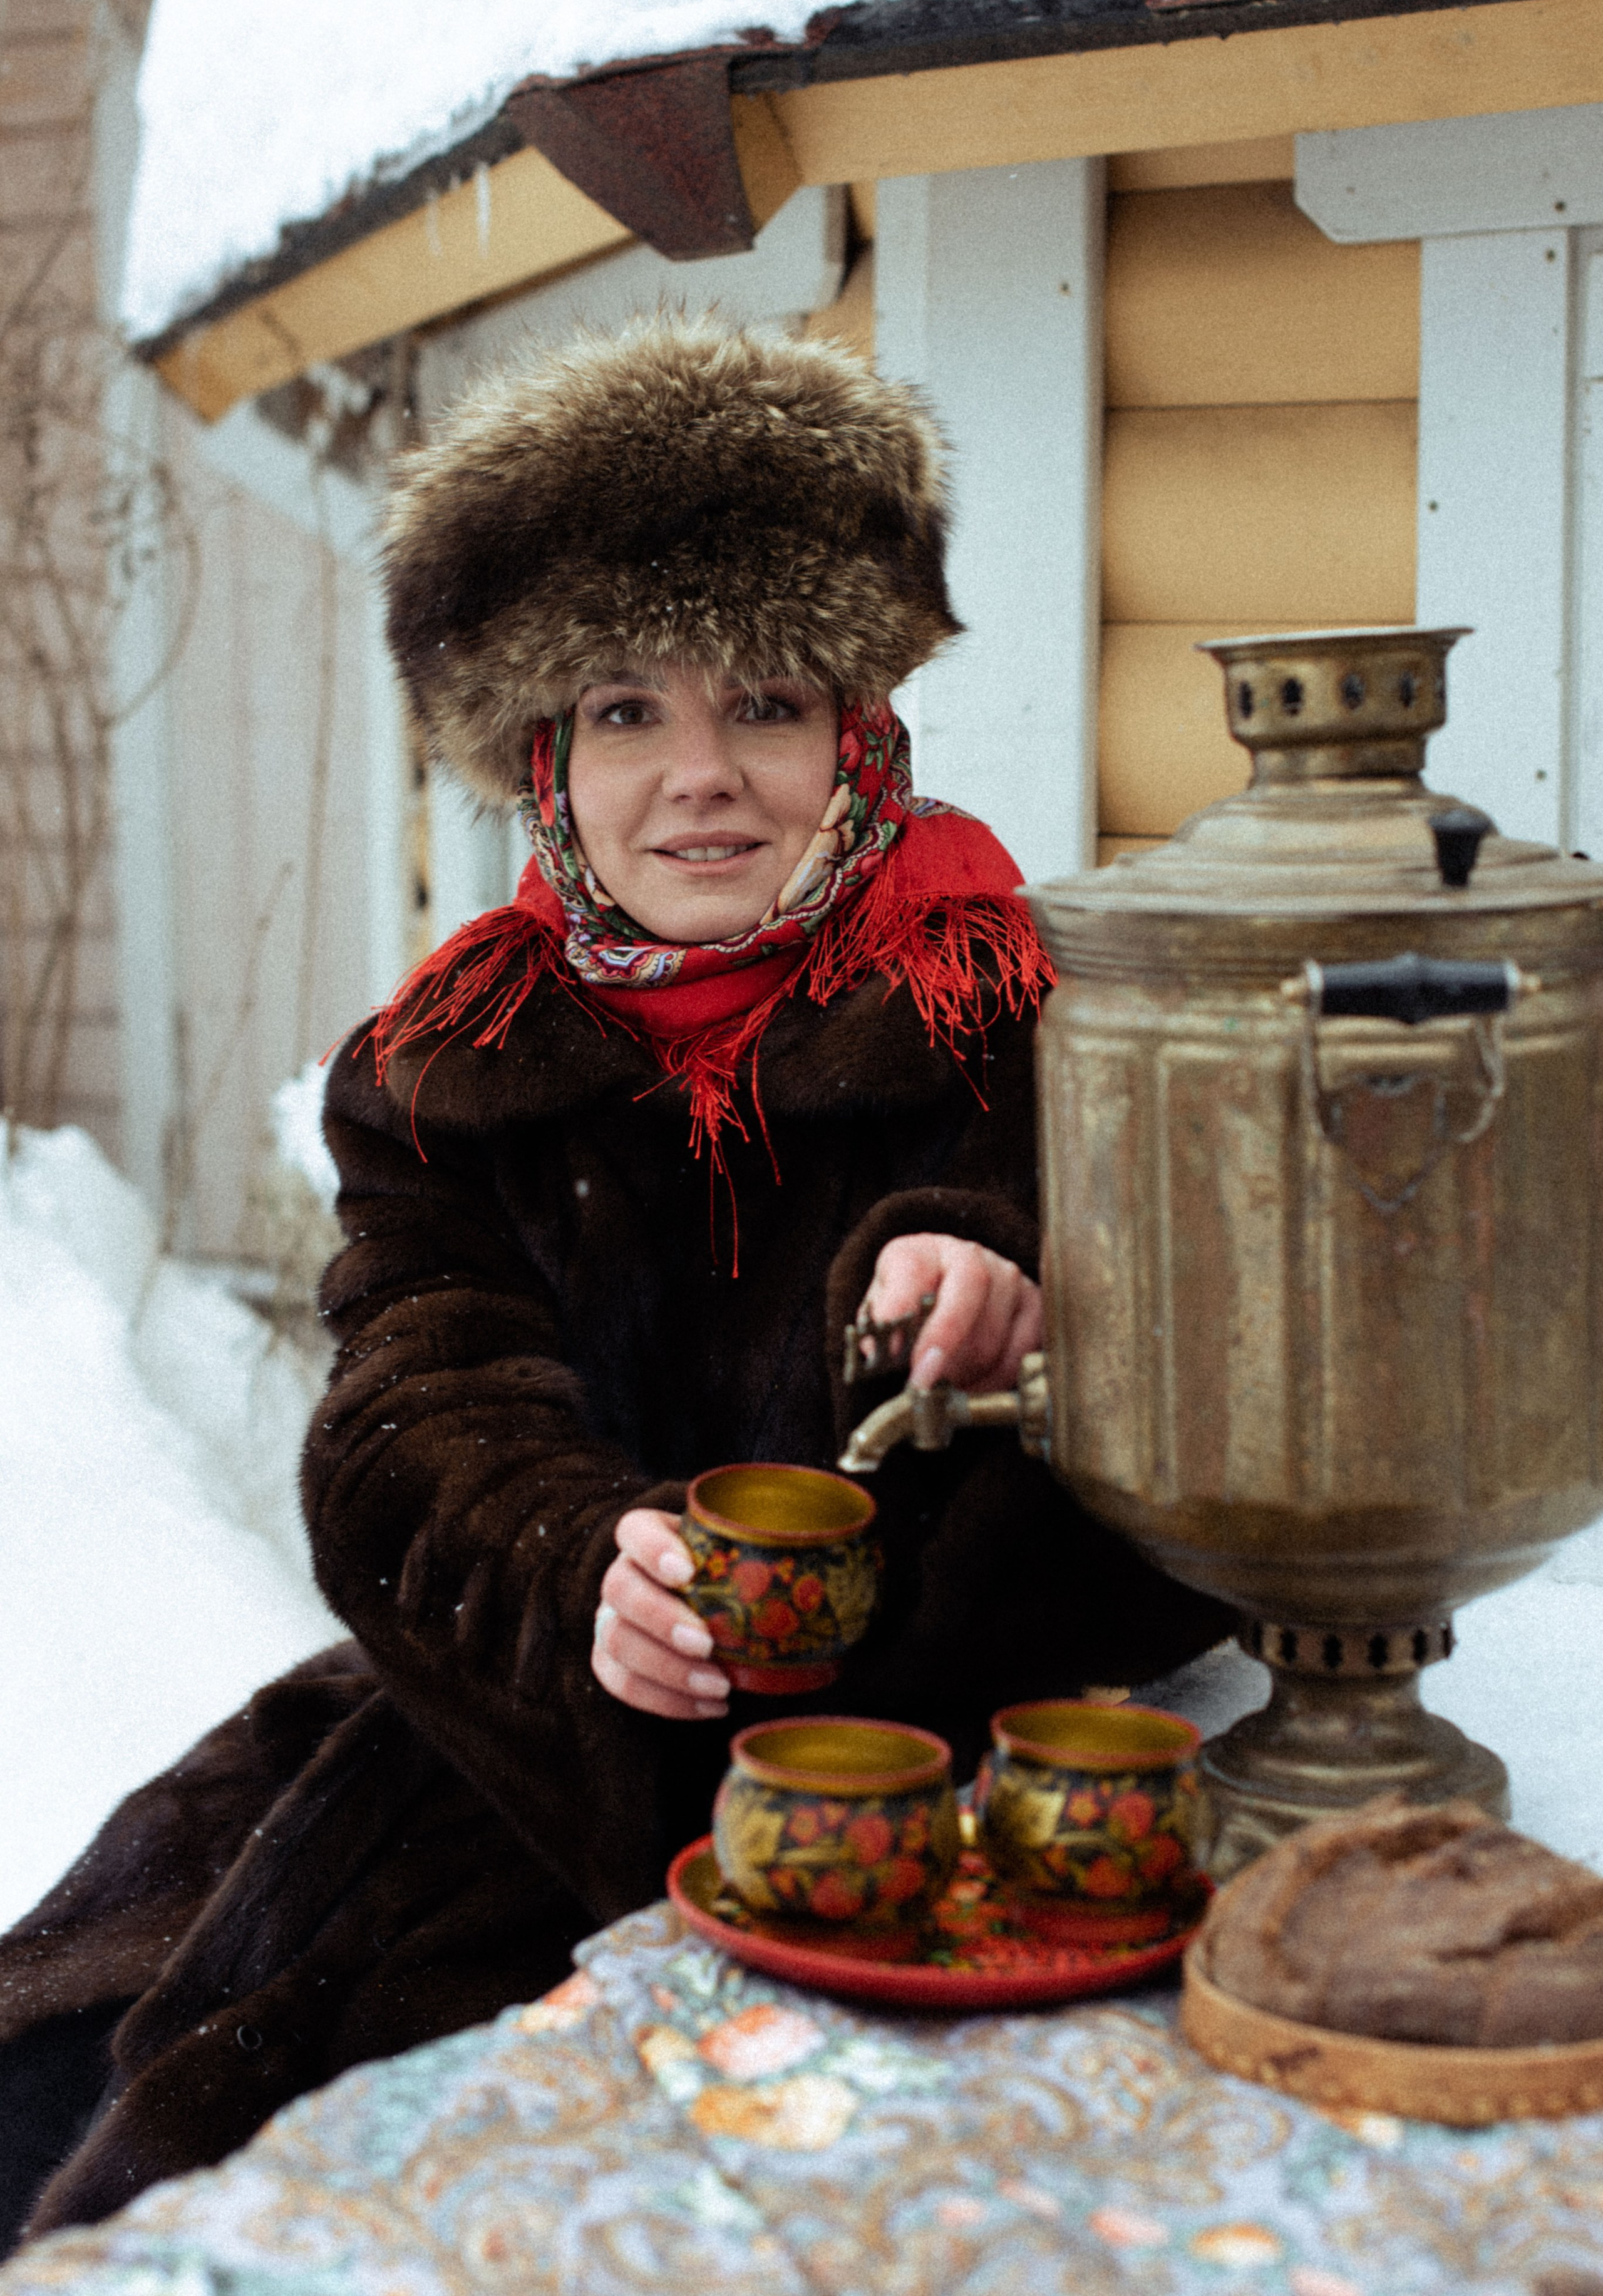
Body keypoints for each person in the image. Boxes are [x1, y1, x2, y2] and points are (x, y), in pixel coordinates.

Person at [0, 317, 1228, 2245]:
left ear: (858, 728)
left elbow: (1192, 1456)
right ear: (546, 758)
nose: (703, 778)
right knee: (153, 2104)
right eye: (627, 712)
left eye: (764, 701)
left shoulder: (1014, 1013)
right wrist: (591, 1572)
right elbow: (410, 1420)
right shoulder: (452, 1069)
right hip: (521, 1756)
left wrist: (1010, 1295)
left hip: (951, 1811)